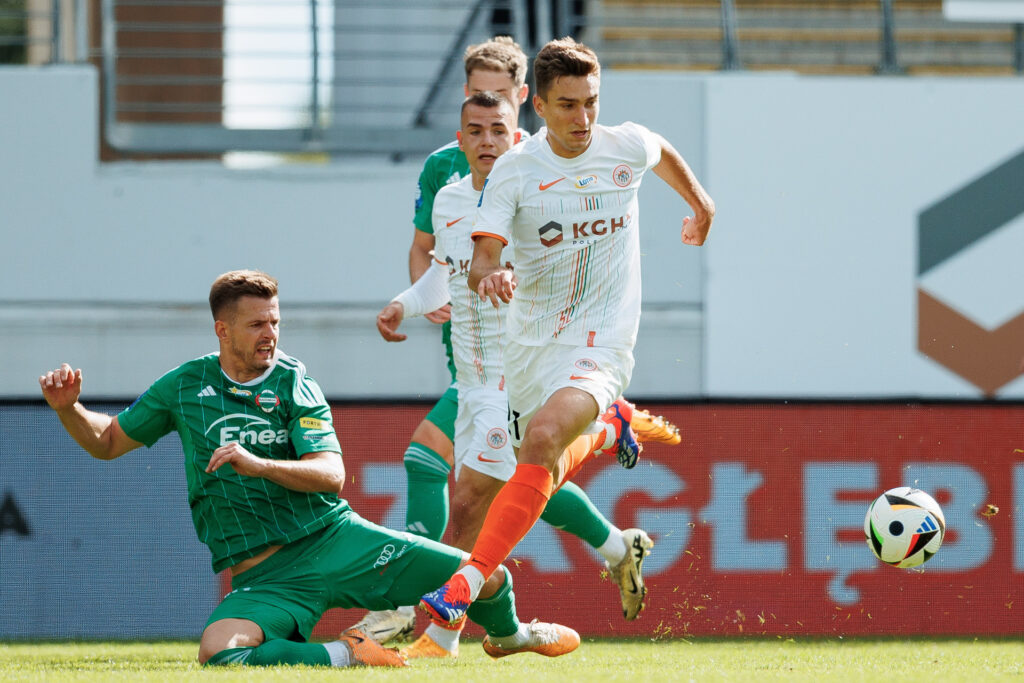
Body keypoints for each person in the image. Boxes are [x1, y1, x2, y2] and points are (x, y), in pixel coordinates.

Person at [38, 270, 580, 668]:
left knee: (486, 578)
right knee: (218, 655)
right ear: (222, 332)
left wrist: (259, 464)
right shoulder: (183, 386)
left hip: (333, 541)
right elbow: (107, 442)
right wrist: (69, 410)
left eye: (275, 321)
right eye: (255, 324)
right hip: (262, 576)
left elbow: (331, 475)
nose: (269, 333)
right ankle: (349, 653)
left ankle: (508, 636)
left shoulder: (292, 381)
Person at [356, 35, 682, 644]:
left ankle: (423, 619)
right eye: (475, 112)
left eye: (502, 106)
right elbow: (447, 264)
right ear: (460, 123)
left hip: (535, 357)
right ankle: (611, 473)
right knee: (525, 472)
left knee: (468, 471)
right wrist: (413, 301)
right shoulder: (450, 184)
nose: (488, 127)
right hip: (482, 365)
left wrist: (698, 205)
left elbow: (646, 154)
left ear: (523, 108)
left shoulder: (541, 165)